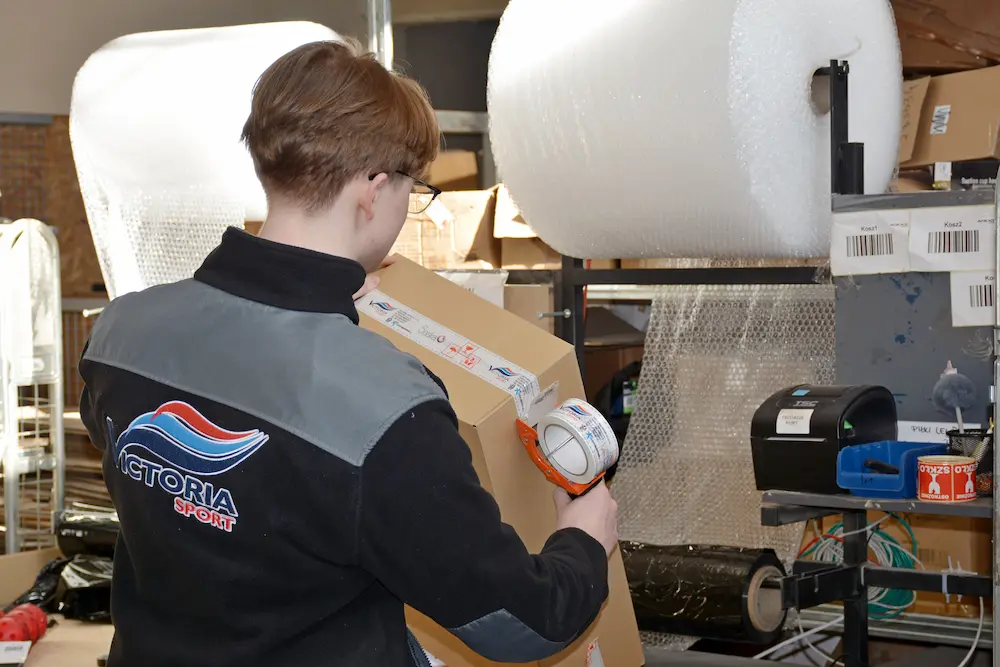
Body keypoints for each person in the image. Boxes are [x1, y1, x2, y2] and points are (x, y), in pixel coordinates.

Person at [79, 39, 618, 667]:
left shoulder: (121, 334)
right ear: (373, 189)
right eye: (413, 190)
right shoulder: (385, 406)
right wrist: (584, 541)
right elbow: (522, 625)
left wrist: (320, 310)